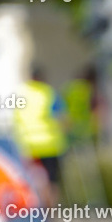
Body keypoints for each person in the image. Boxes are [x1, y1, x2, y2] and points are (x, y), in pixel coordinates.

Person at [14, 67, 68, 207]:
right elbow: (62, 119)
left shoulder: (21, 94)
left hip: (27, 145)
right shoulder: (48, 93)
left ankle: (34, 211)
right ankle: (48, 213)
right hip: (50, 145)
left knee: (30, 180)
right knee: (51, 181)